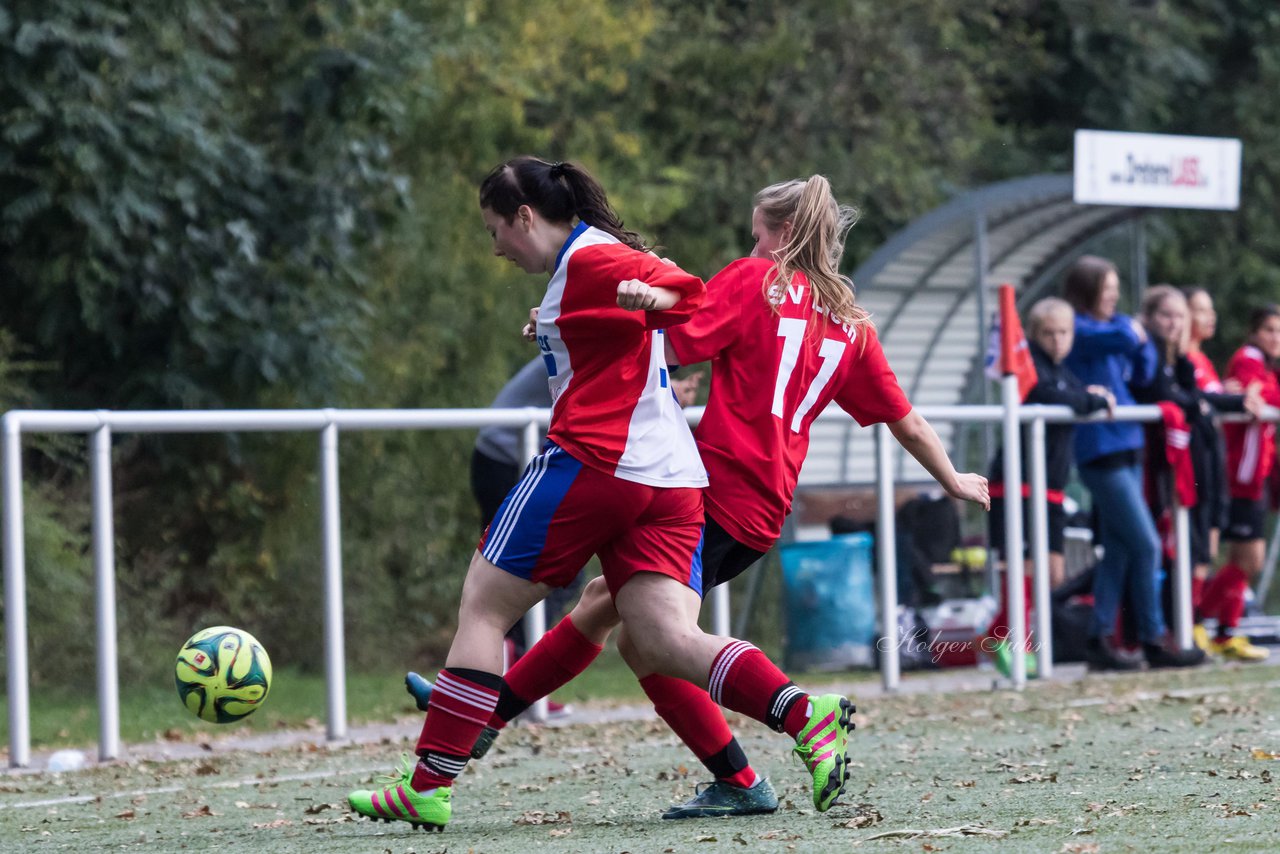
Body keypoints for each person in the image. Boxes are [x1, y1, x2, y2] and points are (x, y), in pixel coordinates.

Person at [443, 175, 988, 821]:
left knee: (649, 632)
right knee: (621, 621)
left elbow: (663, 341)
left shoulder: (753, 280)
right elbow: (907, 419)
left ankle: (789, 720)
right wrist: (952, 477)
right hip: (763, 511)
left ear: (781, 234)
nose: (752, 244)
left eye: (758, 232)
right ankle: (724, 776)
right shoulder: (851, 325)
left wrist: (566, 326)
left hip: (710, 490)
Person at [347, 157, 856, 831]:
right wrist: (570, 321)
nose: (495, 244)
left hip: (599, 460)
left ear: (526, 216)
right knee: (662, 637)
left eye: (496, 228)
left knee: (482, 607)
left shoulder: (593, 258)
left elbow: (687, 291)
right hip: (671, 479)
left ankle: (427, 784)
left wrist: (657, 296)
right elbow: (629, 313)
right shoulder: (583, 264)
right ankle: (803, 714)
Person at [1061, 256, 1203, 670]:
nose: (1114, 297)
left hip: (1127, 443)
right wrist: (1132, 332)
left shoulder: (1113, 327)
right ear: (1088, 291)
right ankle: (1152, 636)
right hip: (1100, 449)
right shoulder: (1079, 326)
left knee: (1122, 550)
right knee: (1147, 544)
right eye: (1107, 290)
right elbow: (1124, 339)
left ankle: (1099, 638)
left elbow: (1142, 366)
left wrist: (1141, 340)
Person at [985, 297, 1114, 676]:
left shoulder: (1064, 370)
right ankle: (1011, 639)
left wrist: (1095, 397)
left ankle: (995, 635)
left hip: (1052, 489)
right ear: (1035, 335)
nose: (1057, 340)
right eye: (1049, 333)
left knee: (1052, 574)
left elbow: (1075, 394)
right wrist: (1092, 400)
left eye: (1064, 332)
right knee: (1025, 567)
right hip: (1018, 485)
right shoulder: (1031, 368)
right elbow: (1047, 395)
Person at [1131, 287, 1260, 655]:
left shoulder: (1192, 361)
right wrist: (1221, 400)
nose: (1208, 316)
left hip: (1209, 465)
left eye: (1204, 310)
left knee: (1209, 551)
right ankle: (1188, 626)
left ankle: (1202, 626)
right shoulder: (1170, 358)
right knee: (1193, 551)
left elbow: (1200, 400)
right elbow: (1187, 399)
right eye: (1199, 309)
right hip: (1187, 467)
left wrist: (1223, 400)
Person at [1198, 305, 1280, 661]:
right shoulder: (1248, 358)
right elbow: (1256, 398)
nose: (1275, 338)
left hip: (1255, 473)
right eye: (1269, 330)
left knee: (1241, 558)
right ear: (1253, 334)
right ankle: (1196, 617)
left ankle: (1225, 632)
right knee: (1249, 559)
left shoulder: (1266, 366)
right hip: (1241, 474)